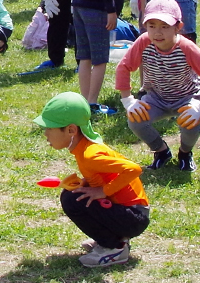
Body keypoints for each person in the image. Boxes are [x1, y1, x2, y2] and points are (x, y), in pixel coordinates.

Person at [34, 92, 148, 268]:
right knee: (74, 194)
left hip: (133, 217)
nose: (45, 133)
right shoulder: (83, 148)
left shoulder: (90, 154)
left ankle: (115, 247)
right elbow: (104, 175)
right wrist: (87, 183)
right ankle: (109, 239)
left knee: (73, 201)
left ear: (71, 130)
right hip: (129, 214)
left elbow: (134, 169)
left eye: (50, 128)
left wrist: (102, 191)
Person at [115, 0, 200, 172]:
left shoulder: (187, 47)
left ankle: (185, 153)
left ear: (178, 27)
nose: (158, 32)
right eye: (152, 26)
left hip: (187, 97)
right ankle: (161, 151)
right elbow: (123, 67)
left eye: (165, 27)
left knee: (189, 122)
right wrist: (128, 101)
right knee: (135, 120)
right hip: (156, 97)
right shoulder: (143, 42)